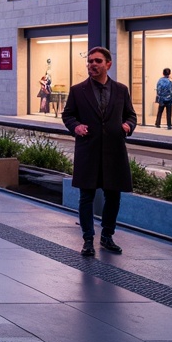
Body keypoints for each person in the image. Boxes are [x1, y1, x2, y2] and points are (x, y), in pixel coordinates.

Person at [62, 46, 136, 257]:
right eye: (90, 61)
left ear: (108, 65)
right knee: (87, 197)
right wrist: (75, 126)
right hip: (89, 150)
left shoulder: (121, 90)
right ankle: (87, 240)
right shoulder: (78, 90)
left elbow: (131, 115)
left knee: (113, 196)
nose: (92, 64)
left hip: (114, 152)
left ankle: (107, 236)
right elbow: (68, 115)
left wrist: (128, 126)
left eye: (97, 61)